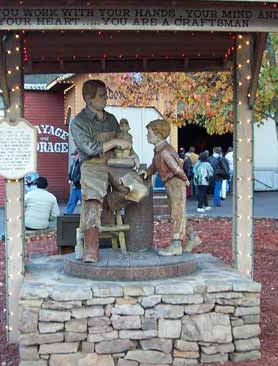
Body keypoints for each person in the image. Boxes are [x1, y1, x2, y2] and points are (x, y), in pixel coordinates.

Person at [70, 79, 147, 263]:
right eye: (102, 96)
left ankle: (108, 203)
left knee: (140, 190)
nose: (106, 99)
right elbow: (89, 148)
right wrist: (114, 142)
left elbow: (123, 141)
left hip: (115, 164)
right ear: (89, 99)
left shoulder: (111, 119)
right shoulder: (78, 122)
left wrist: (133, 154)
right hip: (92, 166)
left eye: (106, 95)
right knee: (92, 200)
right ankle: (91, 249)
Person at [141, 119, 192, 256]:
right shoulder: (158, 151)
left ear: (158, 135)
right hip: (170, 184)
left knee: (177, 213)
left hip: (175, 183)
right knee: (176, 212)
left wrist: (185, 180)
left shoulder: (165, 152)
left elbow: (176, 169)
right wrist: (148, 172)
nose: (147, 135)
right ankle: (193, 237)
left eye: (149, 132)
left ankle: (176, 244)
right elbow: (154, 165)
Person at [65, 150, 82, 214]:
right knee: (71, 202)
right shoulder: (73, 165)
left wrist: (74, 182)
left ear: (79, 155)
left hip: (81, 188)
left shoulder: (81, 164)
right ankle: (67, 217)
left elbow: (80, 175)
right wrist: (69, 179)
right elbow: (70, 174)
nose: (73, 156)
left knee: (85, 204)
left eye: (75, 155)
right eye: (73, 155)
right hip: (75, 188)